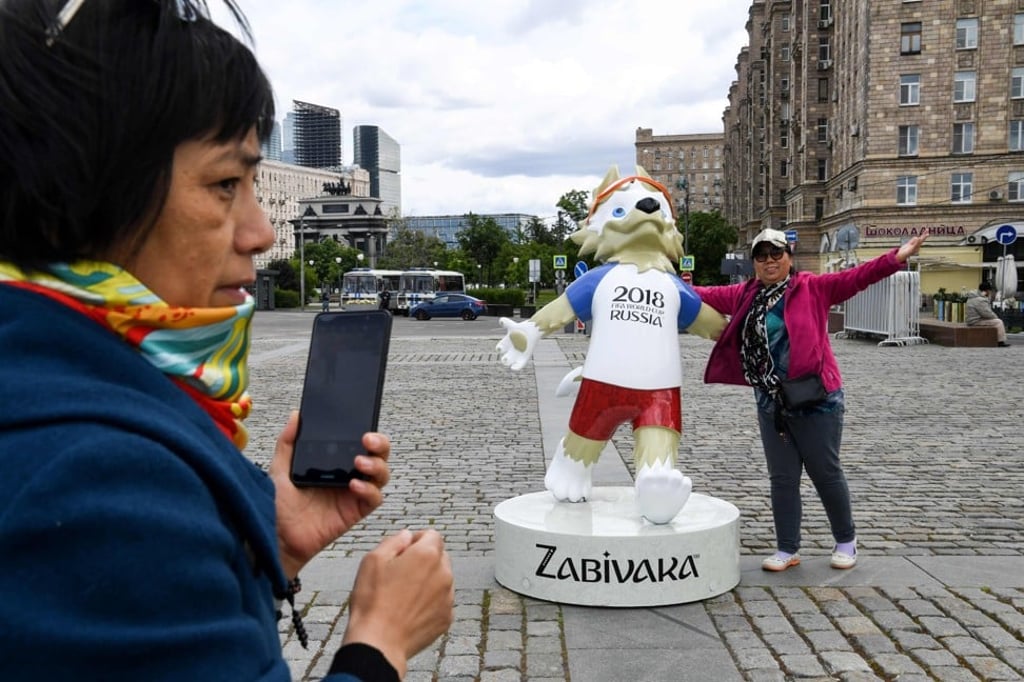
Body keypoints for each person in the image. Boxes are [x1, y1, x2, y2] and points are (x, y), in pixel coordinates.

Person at [0, 1, 453, 680]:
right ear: (80, 188)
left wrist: (270, 544)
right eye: (225, 184)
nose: (261, 232)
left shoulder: (53, 387)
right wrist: (378, 643)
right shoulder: (99, 478)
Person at [693, 228, 928, 572]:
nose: (769, 261)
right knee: (782, 478)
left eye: (776, 253)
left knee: (825, 472)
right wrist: (653, 278)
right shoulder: (745, 294)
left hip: (816, 399)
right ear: (754, 262)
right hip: (772, 402)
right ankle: (787, 548)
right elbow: (701, 294)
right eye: (761, 255)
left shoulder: (813, 288)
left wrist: (896, 257)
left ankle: (846, 541)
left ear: (789, 257)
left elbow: (857, 277)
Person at [966, 281, 1010, 347]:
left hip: (973, 319)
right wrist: (996, 317)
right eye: (989, 291)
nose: (990, 293)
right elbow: (987, 313)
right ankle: (1000, 342)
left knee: (995, 321)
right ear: (986, 291)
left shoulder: (973, 297)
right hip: (975, 321)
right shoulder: (980, 300)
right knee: (999, 322)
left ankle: (995, 340)